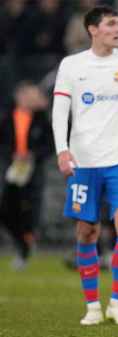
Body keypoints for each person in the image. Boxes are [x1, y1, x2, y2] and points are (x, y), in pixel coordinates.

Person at [51, 5, 118, 326]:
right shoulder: (72, 65)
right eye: (111, 24)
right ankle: (92, 305)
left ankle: (116, 302)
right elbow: (59, 112)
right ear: (93, 29)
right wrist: (62, 150)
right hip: (84, 162)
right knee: (87, 230)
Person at [0, 82, 53, 270]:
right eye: (30, 95)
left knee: (31, 207)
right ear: (19, 96)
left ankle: (27, 241)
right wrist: (12, 155)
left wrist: (32, 155)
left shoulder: (41, 120)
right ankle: (22, 240)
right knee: (6, 207)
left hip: (33, 170)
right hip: (11, 169)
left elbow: (49, 145)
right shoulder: (7, 116)